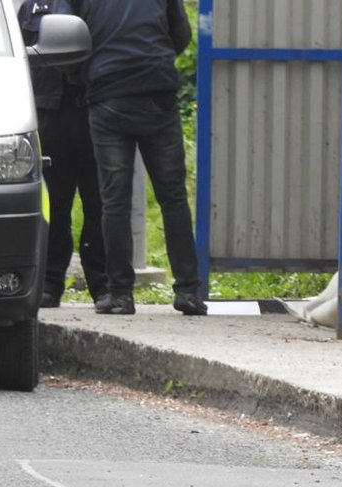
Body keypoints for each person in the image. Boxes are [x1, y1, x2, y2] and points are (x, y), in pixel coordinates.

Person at [74, 0, 206, 316]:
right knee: (173, 197)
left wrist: (89, 74)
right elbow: (182, 33)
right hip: (157, 90)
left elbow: (70, 41)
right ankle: (188, 291)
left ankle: (120, 295)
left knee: (115, 201)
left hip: (108, 95)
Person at [18, 0, 108, 308]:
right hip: (49, 116)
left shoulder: (102, 6)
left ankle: (104, 284)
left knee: (101, 204)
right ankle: (50, 282)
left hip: (94, 111)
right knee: (53, 204)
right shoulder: (32, 7)